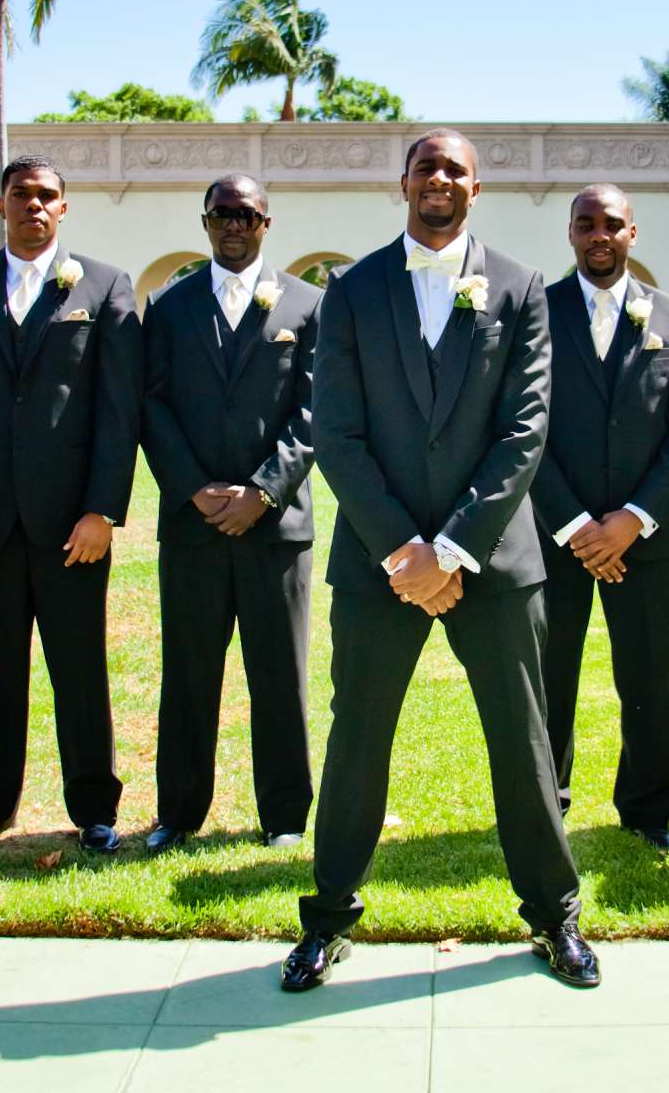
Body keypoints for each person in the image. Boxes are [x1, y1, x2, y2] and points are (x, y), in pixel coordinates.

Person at [280, 129, 596, 992]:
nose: (440, 180)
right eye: (427, 167)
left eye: (455, 168)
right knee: (358, 741)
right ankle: (330, 916)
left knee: (522, 742)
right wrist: (402, 550)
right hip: (380, 563)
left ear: (475, 186)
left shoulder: (522, 288)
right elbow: (335, 432)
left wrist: (452, 548)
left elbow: (525, 430)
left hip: (492, 562)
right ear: (405, 183)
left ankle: (553, 917)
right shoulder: (349, 290)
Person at [0, 155, 142, 852]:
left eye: (48, 196)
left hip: (70, 521)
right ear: (2, 204)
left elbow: (118, 409)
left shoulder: (105, 286)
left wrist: (103, 509)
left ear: (64, 208)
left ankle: (95, 811)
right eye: (22, 195)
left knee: (80, 668)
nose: (35, 206)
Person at [138, 174, 322, 853]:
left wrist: (263, 492)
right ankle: (178, 815)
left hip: (276, 529)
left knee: (279, 675)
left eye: (247, 214)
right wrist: (192, 488)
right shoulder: (170, 305)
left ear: (267, 224)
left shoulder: (306, 307)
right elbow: (151, 403)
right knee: (188, 674)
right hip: (193, 527)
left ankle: (284, 818)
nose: (234, 225)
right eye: (222, 214)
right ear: (205, 222)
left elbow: (315, 412)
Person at [531, 184, 669, 851]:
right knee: (550, 674)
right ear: (570, 234)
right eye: (585, 224)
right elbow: (525, 426)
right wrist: (574, 524)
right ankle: (547, 801)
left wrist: (634, 517)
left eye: (611, 224)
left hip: (641, 537)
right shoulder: (536, 314)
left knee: (646, 674)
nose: (598, 235)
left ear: (633, 232)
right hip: (559, 538)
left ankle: (648, 809)